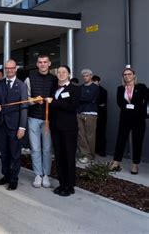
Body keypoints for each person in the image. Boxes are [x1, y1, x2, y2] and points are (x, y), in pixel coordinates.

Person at [45, 66, 80, 197]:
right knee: (59, 156)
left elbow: (72, 107)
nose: (61, 74)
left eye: (64, 72)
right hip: (56, 127)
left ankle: (70, 186)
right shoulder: (54, 88)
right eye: (58, 72)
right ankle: (62, 183)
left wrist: (54, 102)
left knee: (69, 156)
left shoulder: (75, 89)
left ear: (69, 74)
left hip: (69, 128)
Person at [0, 59, 28, 191]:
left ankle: (14, 179)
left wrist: (22, 127)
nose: (9, 70)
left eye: (11, 68)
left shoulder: (21, 85)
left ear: (15, 69)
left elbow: (24, 106)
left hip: (15, 126)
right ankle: (6, 176)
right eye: (7, 68)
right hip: (2, 124)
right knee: (4, 153)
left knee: (15, 154)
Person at [24, 55, 57, 188]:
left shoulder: (55, 79)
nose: (42, 64)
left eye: (45, 62)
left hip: (48, 119)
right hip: (33, 118)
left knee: (47, 149)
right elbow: (25, 98)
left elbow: (58, 98)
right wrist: (33, 100)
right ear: (37, 64)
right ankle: (38, 174)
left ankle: (46, 175)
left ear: (49, 64)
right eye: (40, 62)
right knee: (35, 148)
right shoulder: (29, 78)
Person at [110, 67, 148, 175]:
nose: (127, 76)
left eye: (129, 74)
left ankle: (135, 165)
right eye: (125, 75)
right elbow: (119, 103)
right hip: (125, 118)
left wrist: (141, 110)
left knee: (137, 142)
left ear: (134, 75)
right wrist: (127, 107)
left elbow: (148, 99)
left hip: (138, 119)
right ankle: (116, 162)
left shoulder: (141, 87)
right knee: (120, 140)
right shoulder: (120, 88)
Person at [77, 68, 99, 164]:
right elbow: (78, 99)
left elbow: (89, 98)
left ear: (91, 76)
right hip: (79, 113)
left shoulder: (95, 87)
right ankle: (85, 155)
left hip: (91, 114)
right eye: (83, 76)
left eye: (87, 75)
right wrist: (83, 98)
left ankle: (91, 155)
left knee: (90, 136)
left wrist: (82, 98)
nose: (85, 77)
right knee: (81, 135)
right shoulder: (80, 87)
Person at [92, 75, 108, 157]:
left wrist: (93, 103)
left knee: (101, 133)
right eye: (93, 81)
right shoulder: (90, 90)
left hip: (101, 116)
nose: (94, 83)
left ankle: (102, 151)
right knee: (92, 133)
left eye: (95, 81)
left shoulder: (103, 91)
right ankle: (93, 150)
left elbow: (102, 104)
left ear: (99, 82)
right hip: (92, 114)